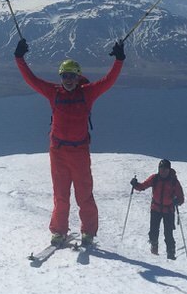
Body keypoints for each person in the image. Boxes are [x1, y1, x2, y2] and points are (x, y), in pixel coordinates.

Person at [15, 36, 125, 248]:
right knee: (61, 196)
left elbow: (109, 81)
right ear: (61, 76)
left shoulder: (88, 93)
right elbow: (31, 79)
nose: (68, 79)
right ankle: (58, 232)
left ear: (78, 76)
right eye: (65, 75)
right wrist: (19, 57)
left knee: (84, 195)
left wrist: (119, 60)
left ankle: (88, 233)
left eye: (72, 75)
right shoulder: (53, 92)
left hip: (79, 152)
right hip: (58, 152)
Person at [131, 158, 184, 260]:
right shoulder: (154, 178)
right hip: (155, 209)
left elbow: (181, 198)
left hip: (168, 211)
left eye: (165, 169)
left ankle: (171, 254)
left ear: (169, 170)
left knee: (168, 234)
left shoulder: (174, 181)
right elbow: (143, 186)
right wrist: (135, 185)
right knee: (153, 231)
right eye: (161, 169)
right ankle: (154, 249)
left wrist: (177, 201)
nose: (163, 171)